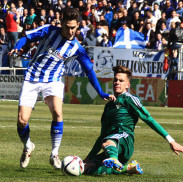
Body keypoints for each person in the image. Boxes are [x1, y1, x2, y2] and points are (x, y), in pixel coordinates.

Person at [8, 7, 115, 170]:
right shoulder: (49, 30)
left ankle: (54, 154)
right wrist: (17, 46)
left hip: (53, 80)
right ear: (62, 24)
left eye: (73, 27)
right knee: (22, 121)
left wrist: (100, 92)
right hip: (32, 78)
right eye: (67, 27)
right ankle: (28, 146)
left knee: (58, 112)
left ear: (78, 25)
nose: (70, 31)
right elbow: (26, 37)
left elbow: (89, 71)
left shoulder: (77, 48)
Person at [83, 65, 183, 175]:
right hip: (111, 146)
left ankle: (114, 159)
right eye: (115, 80)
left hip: (125, 140)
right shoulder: (108, 106)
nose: (117, 82)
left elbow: (149, 119)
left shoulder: (130, 99)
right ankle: (128, 168)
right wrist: (87, 158)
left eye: (121, 80)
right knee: (88, 168)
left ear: (127, 85)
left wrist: (171, 141)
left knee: (107, 141)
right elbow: (102, 135)